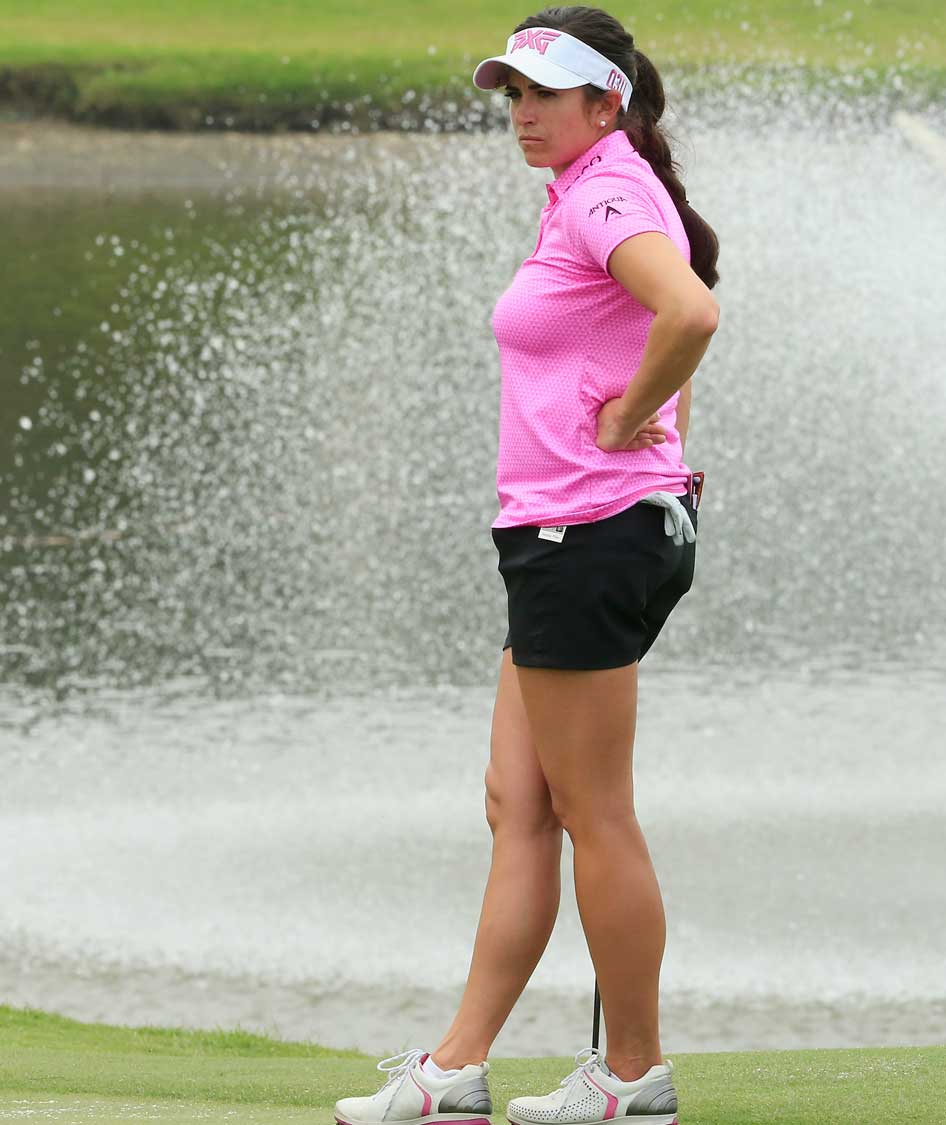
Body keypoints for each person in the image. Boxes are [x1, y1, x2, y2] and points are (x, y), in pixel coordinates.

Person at [334, 7, 720, 1124]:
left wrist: (631, 421)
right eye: (511, 94)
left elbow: (689, 313)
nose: (522, 114)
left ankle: (633, 1072)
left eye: (544, 94)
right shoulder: (597, 191)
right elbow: (663, 316)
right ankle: (458, 1067)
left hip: (588, 535)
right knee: (519, 802)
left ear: (607, 101)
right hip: (569, 536)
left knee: (592, 812)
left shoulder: (604, 192)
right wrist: (652, 429)